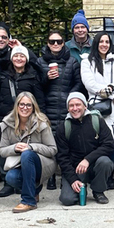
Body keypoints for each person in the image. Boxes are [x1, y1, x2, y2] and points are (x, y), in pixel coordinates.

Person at [81, 31, 114, 192]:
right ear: (96, 43)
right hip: (97, 106)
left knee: (113, 141)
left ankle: (110, 175)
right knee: (99, 141)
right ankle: (100, 174)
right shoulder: (86, 61)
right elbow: (90, 84)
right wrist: (110, 93)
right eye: (101, 41)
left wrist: (110, 89)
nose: (104, 44)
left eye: (107, 42)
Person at [35, 29, 81, 190]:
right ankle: (51, 176)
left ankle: (66, 177)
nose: (56, 44)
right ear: (48, 44)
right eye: (52, 41)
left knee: (68, 143)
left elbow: (78, 82)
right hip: (48, 107)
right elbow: (37, 86)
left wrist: (71, 98)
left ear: (63, 43)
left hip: (68, 107)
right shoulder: (41, 62)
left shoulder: (72, 61)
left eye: (59, 41)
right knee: (50, 143)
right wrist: (46, 78)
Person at [0, 91, 58, 213]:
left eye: (28, 105)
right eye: (21, 104)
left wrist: (31, 147)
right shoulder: (8, 123)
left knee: (27, 154)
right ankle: (34, 191)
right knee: (11, 177)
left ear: (33, 107)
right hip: (22, 164)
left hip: (42, 163)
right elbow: (1, 150)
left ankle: (28, 201)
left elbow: (52, 149)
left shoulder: (41, 123)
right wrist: (15, 147)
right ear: (16, 106)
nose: (24, 108)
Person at [57, 92, 114, 205]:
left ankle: (98, 191)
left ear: (85, 106)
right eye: (71, 105)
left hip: (95, 165)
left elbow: (109, 144)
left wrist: (88, 159)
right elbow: (62, 157)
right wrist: (73, 179)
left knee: (105, 162)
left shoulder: (97, 121)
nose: (75, 108)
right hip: (76, 169)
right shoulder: (63, 127)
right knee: (67, 200)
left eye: (78, 105)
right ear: (68, 108)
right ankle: (77, 186)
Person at [0, 45, 47, 124]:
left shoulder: (34, 76)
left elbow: (39, 100)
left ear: (26, 59)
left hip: (26, 120)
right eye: (16, 56)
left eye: (22, 56)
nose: (18, 58)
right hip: (4, 119)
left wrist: (41, 119)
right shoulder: (1, 75)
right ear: (11, 58)